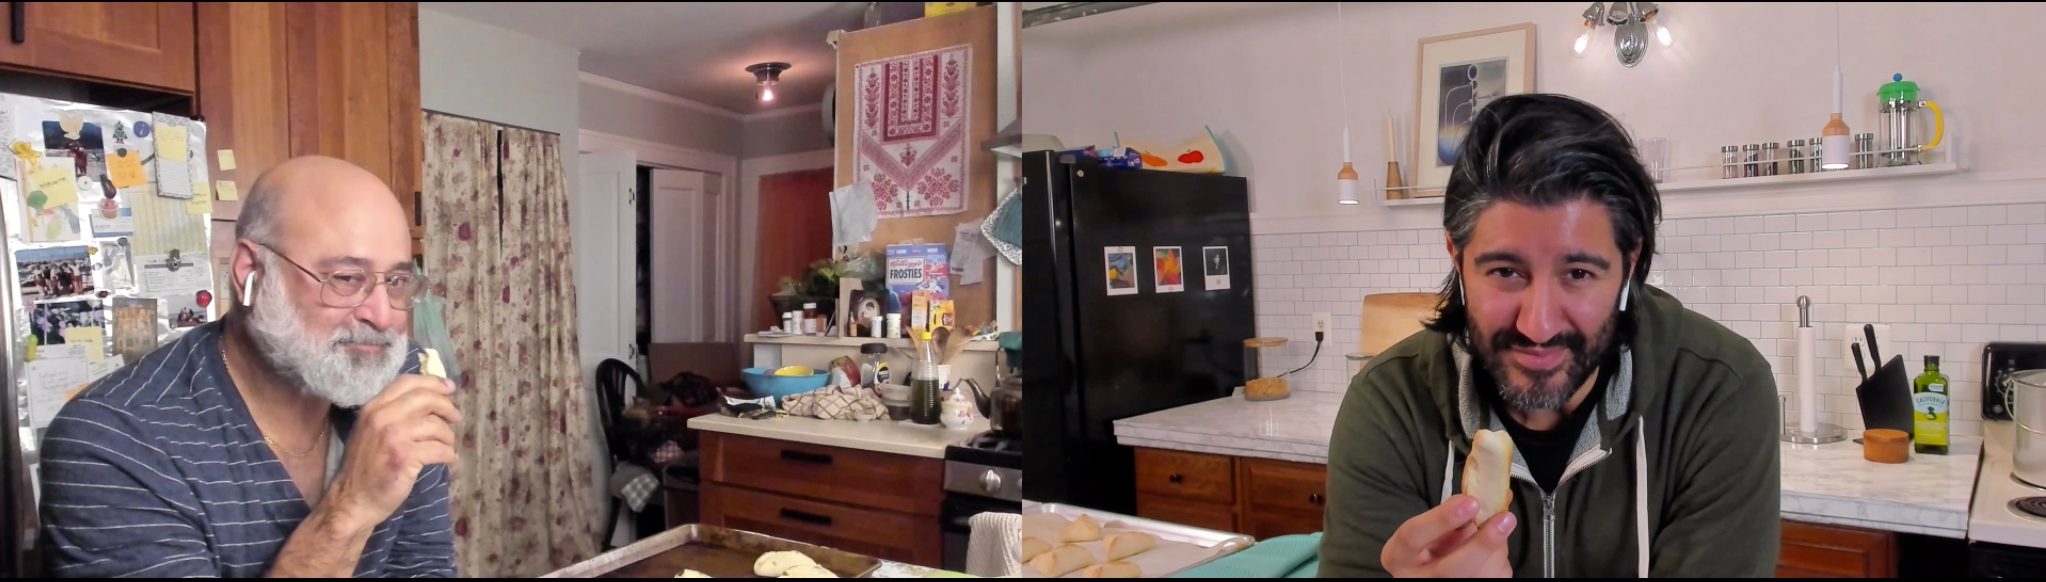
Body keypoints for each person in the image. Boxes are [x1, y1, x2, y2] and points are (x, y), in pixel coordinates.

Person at [1318, 94, 1780, 578]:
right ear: (1457, 257)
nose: (1537, 326)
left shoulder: (1718, 390)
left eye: (1578, 273)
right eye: (1505, 271)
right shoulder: (1389, 403)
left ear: (1628, 264)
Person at [39, 156, 457, 577]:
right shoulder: (112, 442)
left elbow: (423, 567)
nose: (383, 318)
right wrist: (351, 507)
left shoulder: (397, 381)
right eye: (346, 279)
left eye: (397, 282)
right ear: (250, 272)